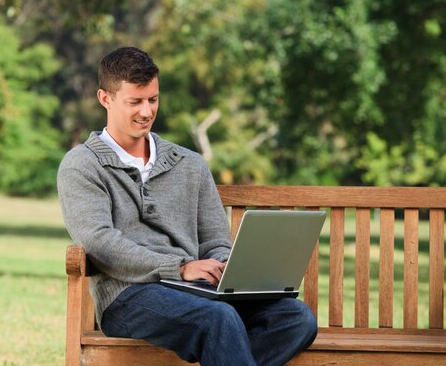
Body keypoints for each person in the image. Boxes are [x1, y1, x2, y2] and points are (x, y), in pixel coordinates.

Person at [57, 46, 317, 366]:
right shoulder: (82, 164)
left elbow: (214, 240)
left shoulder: (189, 164)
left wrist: (227, 270)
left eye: (153, 99)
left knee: (295, 318)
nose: (146, 111)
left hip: (196, 291)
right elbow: (99, 242)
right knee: (217, 319)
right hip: (128, 296)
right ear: (105, 98)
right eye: (134, 102)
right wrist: (179, 268)